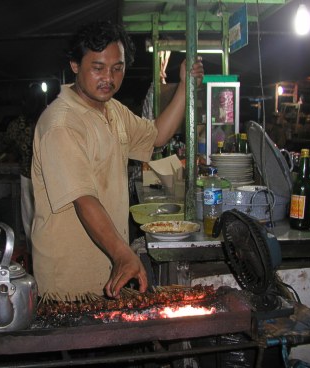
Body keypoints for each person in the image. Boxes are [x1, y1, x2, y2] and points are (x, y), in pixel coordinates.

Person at [31, 20, 204, 299]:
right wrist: (124, 254)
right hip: (70, 280)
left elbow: (157, 135)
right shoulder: (61, 124)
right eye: (98, 68)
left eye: (117, 68)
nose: (109, 78)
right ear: (75, 65)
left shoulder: (112, 110)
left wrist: (185, 86)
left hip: (109, 265)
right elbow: (84, 199)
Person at [4, 89, 44, 255]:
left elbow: (8, 142)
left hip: (27, 173)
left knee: (28, 218)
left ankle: (31, 252)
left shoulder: (18, 124)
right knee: (44, 216)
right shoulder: (46, 119)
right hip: (45, 175)